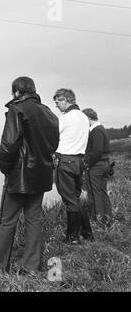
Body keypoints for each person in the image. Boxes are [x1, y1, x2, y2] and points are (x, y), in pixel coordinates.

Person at [0, 76, 59, 274]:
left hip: (18, 176)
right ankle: (30, 266)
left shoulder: (16, 108)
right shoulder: (49, 113)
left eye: (13, 93)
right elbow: (54, 144)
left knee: (7, 220)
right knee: (34, 219)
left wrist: (5, 168)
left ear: (17, 92)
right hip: (41, 175)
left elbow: (9, 144)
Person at [53, 89, 93, 245]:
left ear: (66, 100)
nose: (56, 105)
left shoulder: (65, 118)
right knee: (75, 198)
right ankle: (87, 233)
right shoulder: (84, 117)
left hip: (65, 160)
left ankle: (72, 237)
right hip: (79, 161)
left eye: (57, 101)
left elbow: (53, 136)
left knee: (69, 200)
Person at [82, 108, 113, 226]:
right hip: (103, 164)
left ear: (88, 118)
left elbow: (98, 151)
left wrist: (87, 164)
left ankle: (98, 221)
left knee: (95, 193)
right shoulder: (101, 129)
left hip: (97, 166)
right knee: (102, 192)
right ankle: (107, 219)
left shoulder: (96, 130)